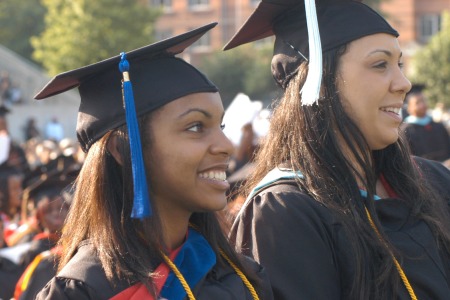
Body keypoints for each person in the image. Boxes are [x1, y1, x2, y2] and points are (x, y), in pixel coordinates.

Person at [224, 0, 450, 299]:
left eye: (400, 65)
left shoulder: (431, 181)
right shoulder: (286, 210)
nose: (403, 83)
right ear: (320, 80)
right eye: (380, 64)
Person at [34, 23, 273, 299]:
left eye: (220, 126)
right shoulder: (84, 290)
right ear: (122, 150)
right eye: (196, 127)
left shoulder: (242, 277)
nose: (226, 146)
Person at [401, 86, 450, 162]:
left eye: (424, 101)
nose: (422, 105)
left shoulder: (438, 126)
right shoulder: (405, 131)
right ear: (409, 108)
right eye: (417, 103)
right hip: (423, 171)